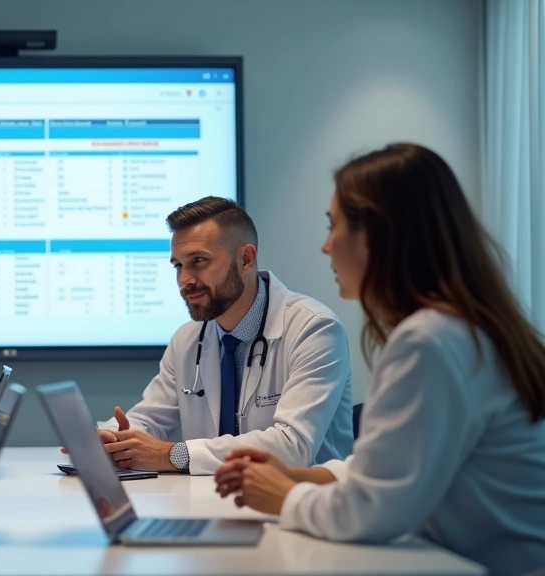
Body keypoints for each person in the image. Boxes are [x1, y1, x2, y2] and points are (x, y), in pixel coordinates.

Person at [215, 143, 545, 575]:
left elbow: (370, 511)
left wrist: (283, 497)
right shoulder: (466, 328)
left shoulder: (429, 340)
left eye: (333, 226)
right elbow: (389, 469)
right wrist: (298, 476)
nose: (325, 247)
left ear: (374, 234)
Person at [89, 196, 354, 475]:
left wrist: (172, 454)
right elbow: (148, 418)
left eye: (198, 261)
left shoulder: (314, 330)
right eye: (178, 266)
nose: (184, 280)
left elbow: (292, 447)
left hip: (300, 498)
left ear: (245, 259)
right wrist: (111, 439)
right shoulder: (187, 340)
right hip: (209, 495)